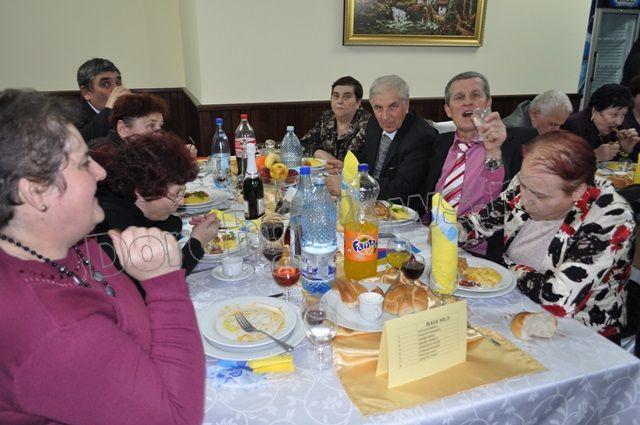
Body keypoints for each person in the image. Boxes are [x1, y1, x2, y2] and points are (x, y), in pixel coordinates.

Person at [0, 89, 204, 424]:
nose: (101, 172)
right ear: (36, 192)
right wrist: (165, 284)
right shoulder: (54, 332)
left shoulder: (72, 244)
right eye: (83, 164)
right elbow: (176, 419)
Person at [457, 130, 634, 340]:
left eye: (540, 196)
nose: (524, 200)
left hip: (579, 331)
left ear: (577, 192)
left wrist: (506, 271)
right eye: (523, 185)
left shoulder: (611, 218)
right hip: (516, 305)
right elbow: (480, 223)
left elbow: (557, 298)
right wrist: (451, 230)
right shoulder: (533, 181)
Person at [424, 71, 538, 260]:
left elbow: (505, 202)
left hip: (480, 254)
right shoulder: (439, 143)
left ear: (488, 103)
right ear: (448, 110)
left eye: (475, 95)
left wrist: (494, 150)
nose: (468, 102)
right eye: (459, 97)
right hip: (431, 240)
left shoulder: (517, 142)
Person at [95, 131, 219, 279]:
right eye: (176, 194)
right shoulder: (115, 229)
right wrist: (197, 242)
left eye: (183, 192)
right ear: (141, 194)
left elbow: (170, 227)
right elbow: (162, 279)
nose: (182, 202)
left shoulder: (141, 209)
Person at [356, 74, 437, 204]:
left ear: (406, 105)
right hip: (369, 200)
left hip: (400, 207)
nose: (385, 116)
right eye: (378, 108)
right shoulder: (373, 122)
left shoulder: (421, 136)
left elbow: (402, 188)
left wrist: (355, 183)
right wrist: (345, 167)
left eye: (393, 107)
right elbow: (366, 158)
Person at [300, 76, 371, 169]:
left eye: (347, 97)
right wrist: (319, 153)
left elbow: (366, 163)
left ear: (358, 102)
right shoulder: (327, 117)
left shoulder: (369, 124)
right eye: (336, 96)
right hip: (326, 174)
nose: (340, 101)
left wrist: (341, 166)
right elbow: (304, 143)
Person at [88, 92, 169, 169]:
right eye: (151, 125)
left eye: (160, 126)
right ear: (123, 129)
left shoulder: (143, 153)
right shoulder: (103, 156)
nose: (159, 134)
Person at [562, 83, 640, 162]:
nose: (619, 122)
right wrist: (595, 156)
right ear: (595, 110)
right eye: (614, 115)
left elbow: (620, 165)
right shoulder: (573, 126)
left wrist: (625, 149)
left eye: (623, 115)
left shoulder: (621, 128)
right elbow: (564, 162)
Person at [74, 58, 131, 142]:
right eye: (105, 84)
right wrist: (109, 108)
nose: (116, 89)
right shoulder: (73, 117)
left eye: (118, 83)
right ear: (86, 92)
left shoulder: (124, 111)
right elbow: (85, 140)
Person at [502, 89, 573, 135]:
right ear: (534, 113)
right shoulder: (513, 131)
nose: (556, 130)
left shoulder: (532, 111)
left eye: (560, 125)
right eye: (552, 124)